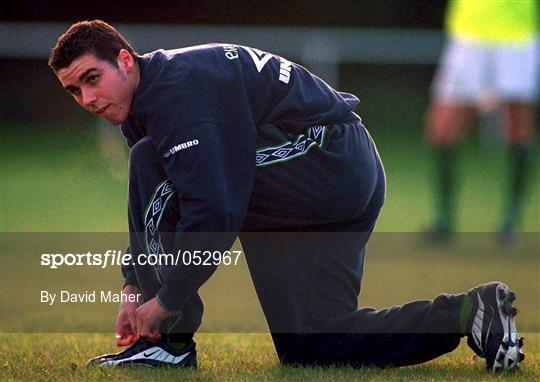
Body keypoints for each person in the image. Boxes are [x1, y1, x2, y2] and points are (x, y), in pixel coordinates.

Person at [49, 20, 524, 372]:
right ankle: (468, 311)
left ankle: (166, 343)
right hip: (331, 182)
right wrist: (135, 283)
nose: (87, 99)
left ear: (125, 61)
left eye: (93, 78)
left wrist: (163, 299)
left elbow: (212, 207)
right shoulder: (150, 99)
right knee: (313, 345)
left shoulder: (177, 92)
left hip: (327, 161)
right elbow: (164, 205)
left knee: (159, 164)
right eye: (74, 91)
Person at [425, 0, 538, 240]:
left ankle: (511, 220)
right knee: (441, 128)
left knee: (518, 128)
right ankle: (443, 219)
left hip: (517, 34)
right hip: (468, 33)